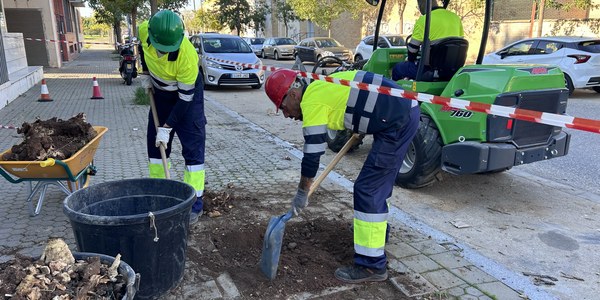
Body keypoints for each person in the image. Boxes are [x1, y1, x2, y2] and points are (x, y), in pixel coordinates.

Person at [264, 69, 420, 283]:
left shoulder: (311, 102)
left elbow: (312, 157)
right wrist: (364, 122)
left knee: (368, 189)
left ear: (293, 94)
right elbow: (358, 94)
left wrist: (302, 192)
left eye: (282, 107)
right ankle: (376, 234)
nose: (286, 114)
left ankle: (371, 266)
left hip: (398, 120)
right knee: (377, 184)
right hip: (400, 111)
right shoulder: (320, 85)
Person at [138, 10, 206, 225]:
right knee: (155, 150)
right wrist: (146, 73)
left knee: (193, 152)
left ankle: (195, 204)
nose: (162, 52)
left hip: (187, 98)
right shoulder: (144, 31)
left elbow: (185, 100)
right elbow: (141, 49)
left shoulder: (186, 55)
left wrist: (167, 127)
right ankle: (160, 198)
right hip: (160, 96)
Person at [392, 0, 463, 80]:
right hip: (452, 69)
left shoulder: (424, 20)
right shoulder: (455, 18)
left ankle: (394, 91)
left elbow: (412, 50)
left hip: (430, 70)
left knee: (398, 68)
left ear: (421, 4)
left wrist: (411, 59)